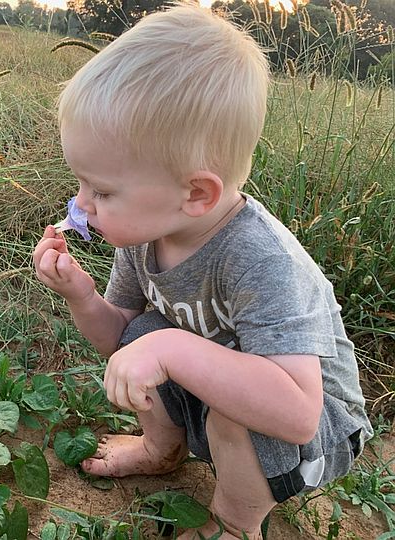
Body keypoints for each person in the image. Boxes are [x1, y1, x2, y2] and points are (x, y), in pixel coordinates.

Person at [32, 3, 373, 539]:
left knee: (214, 394)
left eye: (100, 190)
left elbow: (298, 413)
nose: (83, 204)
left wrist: (171, 350)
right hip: (224, 401)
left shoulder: (261, 260)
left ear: (196, 193)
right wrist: (81, 295)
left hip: (310, 433)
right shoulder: (147, 236)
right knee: (143, 333)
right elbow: (122, 340)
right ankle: (159, 449)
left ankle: (236, 524)